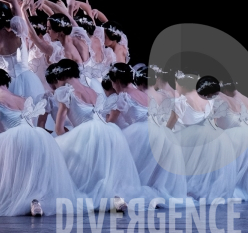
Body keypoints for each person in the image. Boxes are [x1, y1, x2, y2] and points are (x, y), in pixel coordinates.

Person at [0, 68, 84, 217]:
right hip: (38, 139)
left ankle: (14, 199)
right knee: (31, 172)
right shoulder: (24, 100)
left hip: (16, 141)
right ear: (6, 84)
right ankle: (36, 200)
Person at [51, 58, 157, 211]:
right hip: (105, 132)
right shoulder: (93, 92)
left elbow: (59, 128)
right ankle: (115, 197)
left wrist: (67, 140)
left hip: (87, 135)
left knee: (58, 152)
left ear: (60, 77)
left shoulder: (66, 92)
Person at [106, 63, 188, 206]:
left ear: (116, 81)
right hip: (158, 131)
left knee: (120, 164)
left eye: (112, 82)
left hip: (140, 133)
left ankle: (121, 199)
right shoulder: (144, 94)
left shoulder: (123, 97)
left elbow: (111, 123)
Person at [166, 70, 237, 203]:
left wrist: (163, 136)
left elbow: (169, 126)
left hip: (191, 136)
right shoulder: (207, 99)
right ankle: (205, 191)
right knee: (205, 166)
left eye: (177, 85)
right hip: (213, 135)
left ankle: (189, 190)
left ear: (183, 86)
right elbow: (213, 120)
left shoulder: (181, 101)